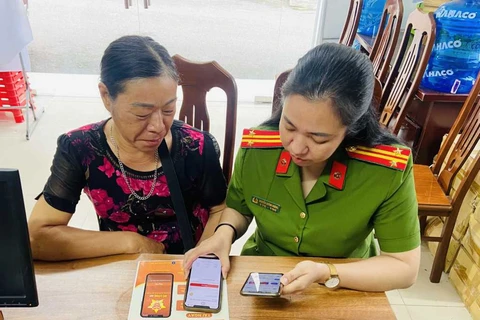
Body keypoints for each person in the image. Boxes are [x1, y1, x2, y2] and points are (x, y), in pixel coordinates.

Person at [184, 43, 420, 293]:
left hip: (347, 281)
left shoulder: (385, 169)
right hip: (264, 272)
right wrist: (223, 233)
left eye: (318, 138)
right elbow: (239, 208)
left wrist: (326, 272)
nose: (296, 147)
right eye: (289, 126)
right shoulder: (259, 148)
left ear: (350, 128)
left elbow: (403, 267)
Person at [28, 35, 227, 261]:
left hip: (187, 261)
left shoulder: (197, 146)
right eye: (142, 113)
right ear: (106, 96)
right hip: (118, 262)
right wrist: (131, 242)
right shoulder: (81, 148)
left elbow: (219, 210)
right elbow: (37, 237)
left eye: (169, 110)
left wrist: (200, 261)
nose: (158, 126)